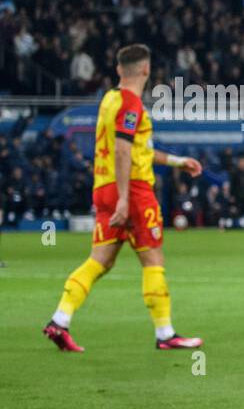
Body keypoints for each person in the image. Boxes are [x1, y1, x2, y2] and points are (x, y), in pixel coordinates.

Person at [42, 44, 204, 353]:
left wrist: (177, 161)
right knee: (153, 258)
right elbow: (123, 151)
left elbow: (135, 149)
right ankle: (165, 333)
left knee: (100, 260)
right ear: (146, 70)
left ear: (119, 70)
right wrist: (125, 199)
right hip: (131, 190)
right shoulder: (131, 104)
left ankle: (59, 321)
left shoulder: (109, 100)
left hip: (103, 187)